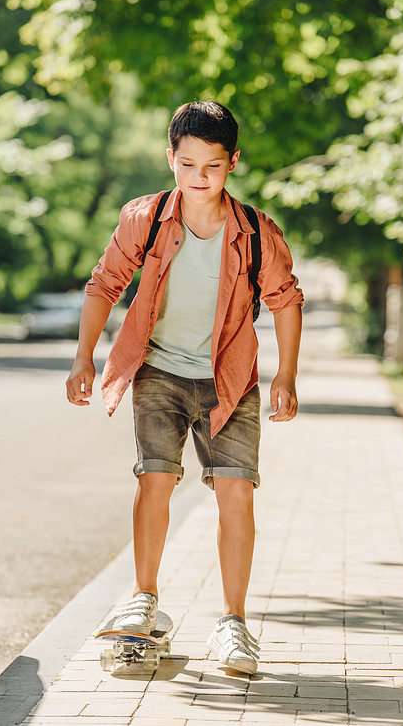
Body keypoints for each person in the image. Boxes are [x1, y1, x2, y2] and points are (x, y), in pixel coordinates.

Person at [66, 101, 303, 674]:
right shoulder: (143, 219)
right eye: (189, 163)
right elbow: (104, 284)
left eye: (214, 166)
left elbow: (286, 299)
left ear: (233, 164)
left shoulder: (255, 232)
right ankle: (143, 599)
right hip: (158, 373)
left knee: (236, 493)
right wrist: (83, 359)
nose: (200, 177)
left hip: (230, 378)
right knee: (154, 479)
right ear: (170, 158)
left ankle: (233, 625)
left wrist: (287, 375)